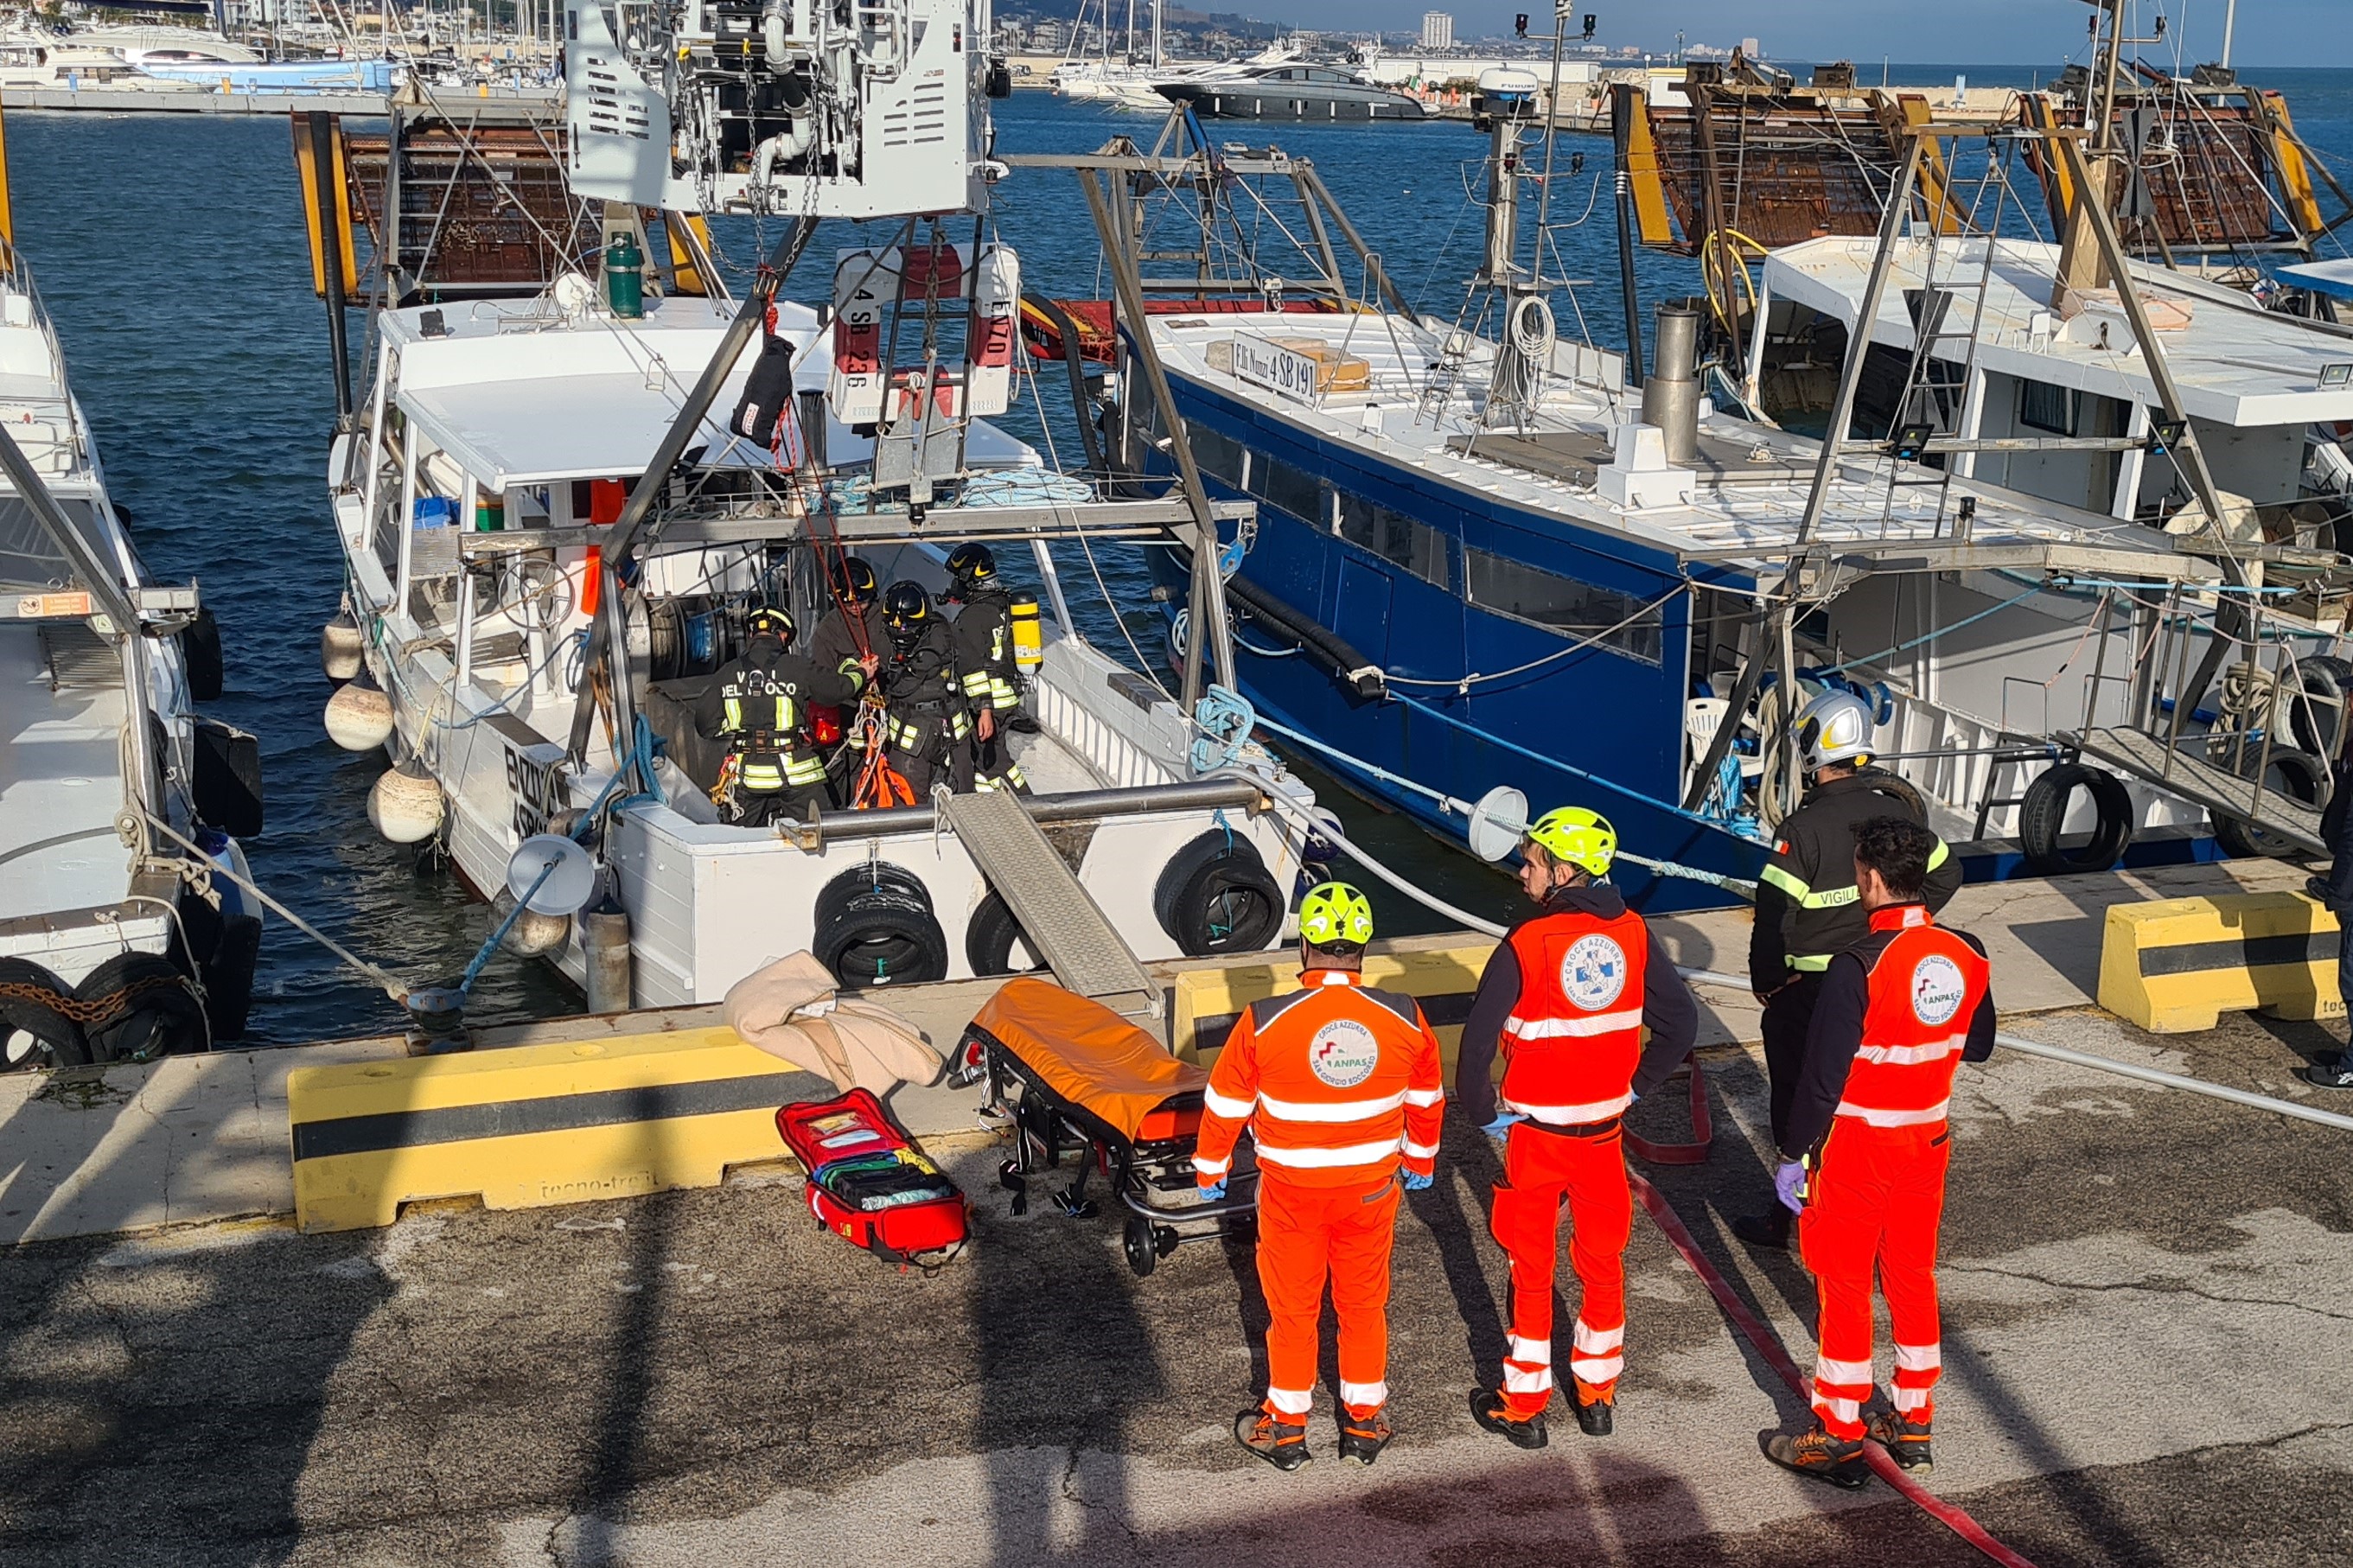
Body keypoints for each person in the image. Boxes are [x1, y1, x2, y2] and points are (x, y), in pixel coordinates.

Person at [1455, 806, 1700, 1448]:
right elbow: (1679, 1027)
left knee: (1530, 1268)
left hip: (1535, 1138)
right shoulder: (1637, 933)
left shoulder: (1525, 944)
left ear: (1563, 871)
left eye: (1532, 861)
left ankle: (1525, 1403)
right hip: (1604, 1136)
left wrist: (1484, 1115)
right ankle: (1597, 1395)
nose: (1523, 870)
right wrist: (1634, 1089)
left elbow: (1476, 1050)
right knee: (1602, 1263)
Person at [1763, 815, 1996, 1488]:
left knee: (1842, 1282)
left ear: (1867, 877)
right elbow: (1976, 1045)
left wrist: (1792, 1151)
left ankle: (1837, 1432)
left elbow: (1821, 1079)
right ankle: (1914, 1419)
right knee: (1912, 1277)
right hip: (1927, 1139)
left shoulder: (1857, 965)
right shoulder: (1968, 952)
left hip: (1859, 1146)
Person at [1194, 882, 1445, 1471]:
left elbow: (1226, 1103)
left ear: (1304, 945)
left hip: (1291, 1195)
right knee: (1362, 1306)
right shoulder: (1404, 1016)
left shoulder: (1264, 1020)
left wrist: (1211, 1166)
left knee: (1294, 1311)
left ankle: (1285, 1429)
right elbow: (1428, 1098)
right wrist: (1421, 1161)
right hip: (1371, 1191)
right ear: (1363, 949)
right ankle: (1363, 1422)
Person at [1738, 689, 1962, 1249]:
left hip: (1807, 993)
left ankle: (1787, 1214)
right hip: (1881, 983)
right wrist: (1910, 922)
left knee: (1799, 1100)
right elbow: (1948, 874)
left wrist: (1768, 982)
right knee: (1861, 1104)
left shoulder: (1803, 829)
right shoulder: (1897, 817)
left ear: (1814, 747)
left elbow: (1772, 915)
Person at [692, 607, 856, 824]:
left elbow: (705, 725)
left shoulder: (727, 673)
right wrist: (861, 672)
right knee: (819, 838)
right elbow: (838, 690)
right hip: (799, 776)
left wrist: (738, 725)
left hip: (748, 779)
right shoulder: (797, 667)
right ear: (784, 635)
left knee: (742, 845)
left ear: (752, 635)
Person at [867, 582, 973, 798]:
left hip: (953, 732)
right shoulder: (880, 639)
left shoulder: (946, 636)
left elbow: (974, 669)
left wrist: (986, 709)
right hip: (909, 741)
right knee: (907, 799)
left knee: (964, 794)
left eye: (906, 627)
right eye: (895, 627)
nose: (900, 631)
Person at [943, 542, 1030, 792]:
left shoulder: (971, 617)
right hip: (1009, 692)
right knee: (984, 756)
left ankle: (1030, 804)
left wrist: (984, 710)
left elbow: (972, 666)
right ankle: (987, 799)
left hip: (989, 700)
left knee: (995, 762)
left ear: (971, 577)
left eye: (959, 577)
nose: (955, 584)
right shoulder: (1004, 604)